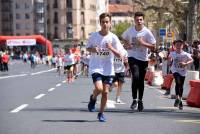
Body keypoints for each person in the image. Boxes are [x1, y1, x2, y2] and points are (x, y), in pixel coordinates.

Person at [86, 12, 123, 122]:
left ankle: (101, 114)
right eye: (103, 22)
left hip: (108, 69)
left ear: (110, 23)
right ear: (100, 23)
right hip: (96, 67)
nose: (105, 24)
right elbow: (88, 48)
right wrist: (93, 49)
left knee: (105, 92)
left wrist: (111, 48)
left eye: (107, 22)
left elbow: (119, 55)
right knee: (99, 88)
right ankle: (93, 99)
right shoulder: (94, 36)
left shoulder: (113, 37)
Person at [121, 11, 156, 111]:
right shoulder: (130, 30)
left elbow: (153, 47)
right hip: (132, 57)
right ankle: (134, 99)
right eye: (137, 20)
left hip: (143, 59)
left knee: (141, 81)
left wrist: (143, 43)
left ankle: (140, 101)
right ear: (134, 20)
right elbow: (123, 37)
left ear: (143, 20)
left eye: (141, 19)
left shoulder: (147, 32)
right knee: (135, 77)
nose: (139, 21)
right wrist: (127, 44)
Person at [168, 39, 193, 110]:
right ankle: (177, 98)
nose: (178, 46)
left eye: (180, 45)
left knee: (181, 85)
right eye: (177, 45)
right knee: (178, 82)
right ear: (174, 46)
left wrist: (186, 64)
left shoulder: (185, 54)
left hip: (183, 71)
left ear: (182, 46)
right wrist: (169, 61)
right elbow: (169, 59)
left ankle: (180, 101)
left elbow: (192, 60)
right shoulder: (172, 53)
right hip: (175, 70)